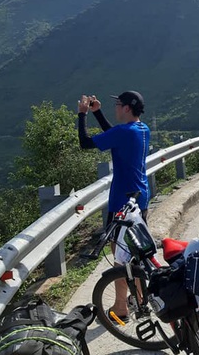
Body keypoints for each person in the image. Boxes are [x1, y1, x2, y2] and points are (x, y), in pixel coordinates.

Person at [77, 90, 150, 322]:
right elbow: (114, 135)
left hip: (123, 205)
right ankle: (138, 298)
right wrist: (98, 112)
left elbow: (85, 143)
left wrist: (83, 115)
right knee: (133, 255)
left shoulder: (124, 132)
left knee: (121, 258)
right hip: (141, 198)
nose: (115, 108)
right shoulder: (142, 129)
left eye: (118, 105)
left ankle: (121, 309)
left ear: (127, 108)